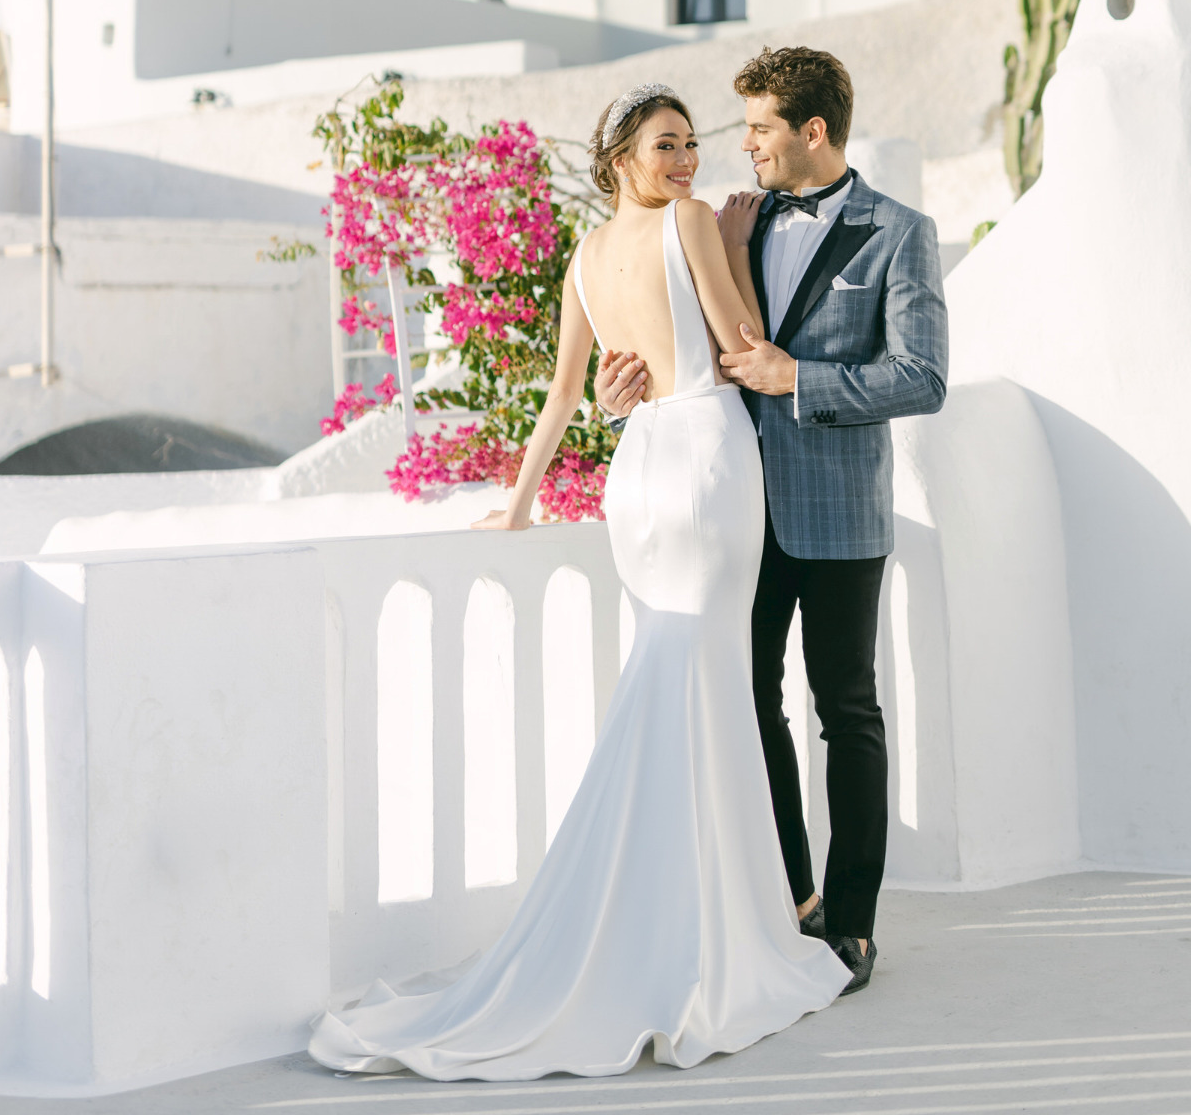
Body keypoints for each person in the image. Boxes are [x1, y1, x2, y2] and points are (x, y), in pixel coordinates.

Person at [309, 82, 850, 1081]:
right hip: (703, 460)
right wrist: (731, 247)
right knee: (708, 686)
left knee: (669, 683)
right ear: (620, 161)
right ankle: (715, 939)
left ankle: (660, 919)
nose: (687, 163)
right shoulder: (692, 223)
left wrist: (518, 505)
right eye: (665, 145)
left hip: (636, 475)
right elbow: (739, 349)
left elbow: (567, 395)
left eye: (691, 145)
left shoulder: (585, 259)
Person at [596, 47, 948, 994]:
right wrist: (619, 391)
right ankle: (792, 897)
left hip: (838, 515)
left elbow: (924, 379)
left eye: (757, 129)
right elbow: (683, 348)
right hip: (736, 511)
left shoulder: (898, 232)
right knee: (748, 704)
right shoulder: (727, 225)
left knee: (849, 712)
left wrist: (802, 378)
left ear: (814, 132)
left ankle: (855, 922)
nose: (739, 145)